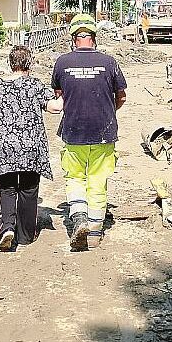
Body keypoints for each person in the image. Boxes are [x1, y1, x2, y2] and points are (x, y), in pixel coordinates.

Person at [51, 14, 127, 251]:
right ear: (94, 38)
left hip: (73, 132)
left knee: (75, 178)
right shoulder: (110, 62)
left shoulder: (62, 63)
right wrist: (106, 111)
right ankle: (94, 233)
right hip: (103, 132)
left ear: (74, 38)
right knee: (97, 180)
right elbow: (121, 96)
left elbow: (59, 97)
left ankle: (79, 218)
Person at [0, 45, 62, 252]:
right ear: (30, 63)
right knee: (28, 188)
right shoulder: (34, 85)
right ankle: (26, 235)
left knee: (7, 188)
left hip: (2, 147)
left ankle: (8, 228)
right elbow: (55, 108)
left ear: (10, 63)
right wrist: (66, 92)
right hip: (29, 147)